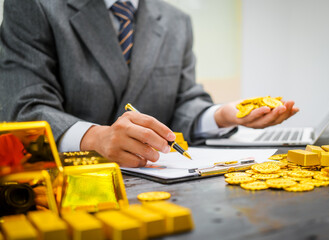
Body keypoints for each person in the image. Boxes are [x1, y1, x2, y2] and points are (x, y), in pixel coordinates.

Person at [0, 0, 298, 168]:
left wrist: (222, 115)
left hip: (163, 186)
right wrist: (95, 138)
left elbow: (184, 100)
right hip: (62, 189)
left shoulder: (176, 21)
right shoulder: (35, 6)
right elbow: (24, 107)